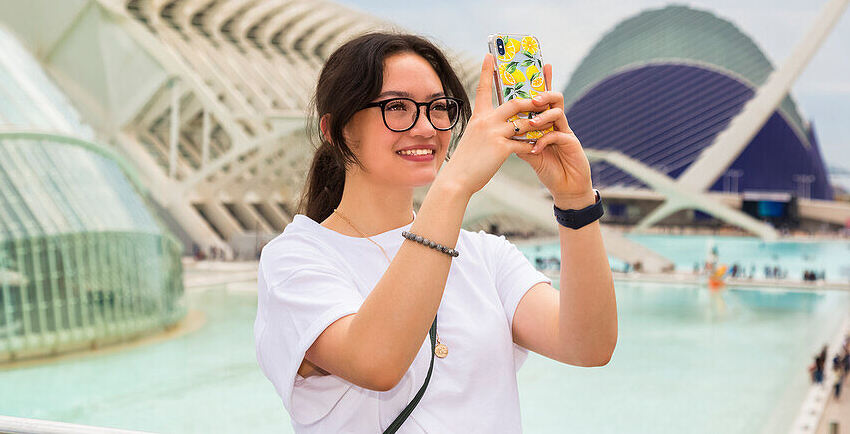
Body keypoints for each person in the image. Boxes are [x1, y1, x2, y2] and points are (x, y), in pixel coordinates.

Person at [254, 33, 618, 433]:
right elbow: (377, 361)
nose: (426, 127)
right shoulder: (296, 258)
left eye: (439, 107)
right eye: (397, 107)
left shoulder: (486, 256)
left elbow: (588, 345)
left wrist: (575, 200)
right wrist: (455, 182)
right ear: (335, 129)